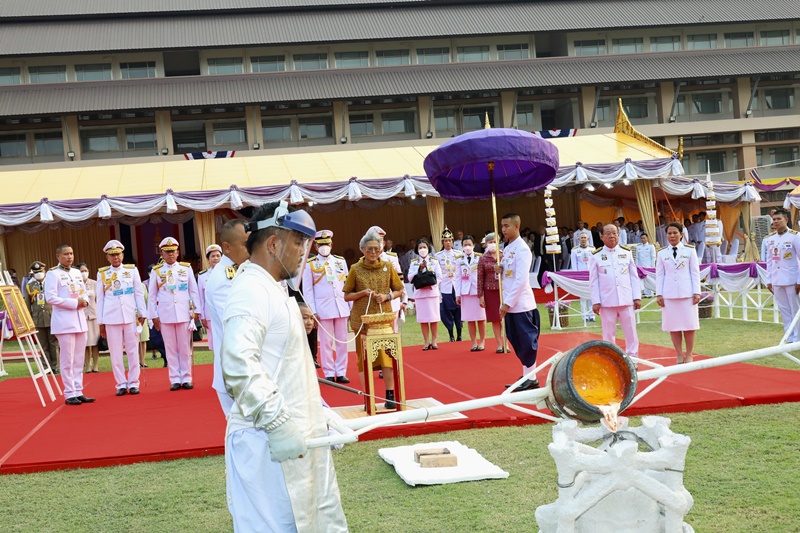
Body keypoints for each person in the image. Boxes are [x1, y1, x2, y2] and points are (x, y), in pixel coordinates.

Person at [220, 201, 348, 532]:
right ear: (274, 244)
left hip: (293, 436)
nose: (304, 252)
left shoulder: (272, 287)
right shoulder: (251, 289)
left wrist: (320, 415)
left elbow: (287, 368)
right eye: (298, 242)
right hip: (266, 443)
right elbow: (237, 363)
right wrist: (277, 422)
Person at [343, 229, 405, 408]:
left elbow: (399, 290)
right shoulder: (355, 269)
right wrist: (362, 293)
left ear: (381, 250)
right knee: (364, 360)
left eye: (376, 249)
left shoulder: (388, 267)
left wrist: (387, 297)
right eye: (369, 249)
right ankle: (368, 397)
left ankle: (390, 395)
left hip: (383, 320)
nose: (373, 253)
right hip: (362, 322)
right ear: (362, 249)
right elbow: (347, 295)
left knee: (386, 358)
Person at [203, 219, 251, 414]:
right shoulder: (225, 277)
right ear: (227, 248)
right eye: (245, 243)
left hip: (243, 370)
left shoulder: (242, 269)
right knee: (244, 435)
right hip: (237, 372)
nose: (251, 248)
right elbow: (237, 326)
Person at [148, 237, 201, 391]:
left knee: (185, 347)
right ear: (162, 254)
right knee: (170, 348)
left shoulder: (186, 268)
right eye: (167, 252)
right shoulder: (157, 271)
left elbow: (193, 290)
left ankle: (186, 377)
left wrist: (196, 310)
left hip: (183, 313)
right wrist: (154, 316)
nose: (170, 254)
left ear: (178, 252)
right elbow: (152, 295)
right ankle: (174, 379)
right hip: (165, 315)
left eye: (173, 251)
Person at [44, 244, 94, 406]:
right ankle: (69, 392)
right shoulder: (53, 274)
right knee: (68, 359)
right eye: (66, 254)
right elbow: (50, 298)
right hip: (64, 322)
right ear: (58, 256)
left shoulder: (76, 272)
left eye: (71, 253)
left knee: (79, 359)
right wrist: (73, 303)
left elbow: (82, 291)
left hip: (80, 320)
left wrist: (85, 300)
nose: (69, 257)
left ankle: (78, 390)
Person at [496, 213, 541, 391]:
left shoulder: (522, 248)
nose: (504, 229)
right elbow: (509, 274)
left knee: (526, 342)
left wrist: (507, 303)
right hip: (511, 303)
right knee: (516, 340)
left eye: (507, 226)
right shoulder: (507, 248)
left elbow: (521, 279)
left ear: (517, 226)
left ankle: (531, 377)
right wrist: (500, 269)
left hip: (521, 304)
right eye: (502, 226)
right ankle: (528, 375)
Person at [97, 240, 147, 396]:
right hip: (111, 318)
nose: (115, 258)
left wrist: (142, 313)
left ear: (122, 255)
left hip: (130, 315)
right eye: (112, 255)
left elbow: (138, 293)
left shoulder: (132, 271)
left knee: (133, 351)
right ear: (107, 257)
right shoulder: (103, 273)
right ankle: (120, 383)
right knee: (116, 353)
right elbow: (100, 298)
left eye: (117, 254)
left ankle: (133, 382)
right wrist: (101, 322)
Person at [302, 230, 351, 383]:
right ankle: (329, 372)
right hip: (322, 309)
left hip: (341, 305)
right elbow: (308, 290)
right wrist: (313, 311)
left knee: (342, 341)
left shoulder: (340, 261)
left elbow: (347, 284)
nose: (324, 247)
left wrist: (350, 306)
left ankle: (341, 371)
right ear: (316, 246)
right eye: (321, 244)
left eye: (327, 244)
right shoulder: (310, 264)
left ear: (331, 244)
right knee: (326, 343)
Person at [589, 224, 642, 358]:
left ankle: (633, 357)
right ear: (601, 237)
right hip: (607, 300)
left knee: (631, 331)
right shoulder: (596, 255)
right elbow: (593, 281)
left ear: (619, 235)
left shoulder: (626, 252)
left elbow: (633, 277)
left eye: (614, 233)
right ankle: (610, 357)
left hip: (626, 298)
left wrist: (637, 297)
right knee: (608, 333)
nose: (612, 236)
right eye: (608, 233)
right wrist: (596, 301)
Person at [656, 223, 701, 364]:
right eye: (669, 233)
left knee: (689, 325)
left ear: (681, 234)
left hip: (687, 293)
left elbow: (695, 272)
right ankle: (679, 354)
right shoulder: (662, 253)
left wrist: (696, 292)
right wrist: (659, 294)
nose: (672, 236)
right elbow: (660, 275)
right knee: (673, 326)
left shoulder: (689, 250)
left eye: (675, 233)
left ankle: (689, 354)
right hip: (669, 294)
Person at [762, 209, 800, 343]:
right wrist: (769, 280)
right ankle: (789, 336)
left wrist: (799, 280)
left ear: (786, 220)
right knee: (784, 310)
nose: (776, 222)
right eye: (774, 219)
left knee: (795, 309)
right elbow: (769, 261)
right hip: (777, 279)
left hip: (792, 279)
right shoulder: (770, 239)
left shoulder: (795, 236)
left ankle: (798, 338)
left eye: (779, 219)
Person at [368, 226, 408, 332]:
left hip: (391, 300)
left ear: (384, 243)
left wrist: (404, 299)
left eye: (379, 241)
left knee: (392, 331)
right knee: (375, 332)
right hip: (373, 302)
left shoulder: (392, 258)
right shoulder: (364, 260)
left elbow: (399, 280)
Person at [24, 261, 59, 373]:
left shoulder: (51, 283)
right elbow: (28, 305)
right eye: (36, 272)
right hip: (38, 319)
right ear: (33, 274)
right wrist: (29, 320)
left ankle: (55, 366)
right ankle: (46, 367)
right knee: (42, 344)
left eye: (40, 271)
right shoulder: (30, 286)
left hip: (52, 316)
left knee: (53, 343)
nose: (39, 274)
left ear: (45, 271)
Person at [408, 239, 443, 351]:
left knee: (434, 318)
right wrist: (419, 268)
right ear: (417, 250)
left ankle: (434, 341)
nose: (423, 250)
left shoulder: (434, 261)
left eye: (425, 247)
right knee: (423, 319)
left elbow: (439, 276)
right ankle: (426, 341)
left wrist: (432, 285)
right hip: (420, 294)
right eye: (420, 248)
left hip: (432, 292)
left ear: (428, 249)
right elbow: (409, 278)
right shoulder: (414, 262)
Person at [477, 233, 508, 353]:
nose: (492, 244)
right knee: (495, 318)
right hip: (490, 290)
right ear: (485, 244)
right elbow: (480, 278)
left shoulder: (504, 256)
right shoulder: (483, 259)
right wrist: (480, 296)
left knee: (505, 317)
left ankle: (506, 342)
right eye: (489, 242)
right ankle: (499, 343)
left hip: (504, 289)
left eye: (494, 241)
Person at [456, 235, 486, 351]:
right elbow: (457, 278)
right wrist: (457, 295)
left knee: (481, 318)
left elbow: (483, 276)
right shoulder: (459, 259)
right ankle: (473, 342)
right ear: (462, 246)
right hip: (465, 291)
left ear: (474, 245)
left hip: (478, 291)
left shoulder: (480, 258)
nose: (467, 247)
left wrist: (482, 293)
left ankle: (482, 341)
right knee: (470, 318)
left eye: (469, 244)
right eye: (465, 245)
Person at [435, 227, 463, 342]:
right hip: (445, 285)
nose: (448, 243)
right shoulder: (438, 255)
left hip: (456, 284)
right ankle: (451, 334)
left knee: (459, 310)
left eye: (450, 240)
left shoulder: (458, 254)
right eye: (445, 241)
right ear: (442, 242)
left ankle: (459, 334)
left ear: (452, 241)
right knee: (446, 311)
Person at [197, 243, 223, 347]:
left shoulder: (228, 272)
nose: (216, 258)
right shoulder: (203, 276)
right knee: (214, 343)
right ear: (208, 259)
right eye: (212, 256)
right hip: (210, 314)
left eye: (218, 256)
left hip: (225, 312)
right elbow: (201, 298)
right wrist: (202, 316)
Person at [77, 263, 100, 374]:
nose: (84, 273)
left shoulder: (95, 283)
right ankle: (88, 366)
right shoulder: (76, 285)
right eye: (81, 271)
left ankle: (96, 365)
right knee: (85, 344)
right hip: (82, 316)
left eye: (85, 270)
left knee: (95, 343)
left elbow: (99, 300)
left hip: (94, 316)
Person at [569, 232, 595, 322]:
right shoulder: (575, 250)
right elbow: (574, 264)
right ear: (578, 239)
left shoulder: (592, 249)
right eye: (582, 238)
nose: (583, 239)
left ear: (588, 239)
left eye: (585, 238)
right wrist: (576, 276)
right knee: (583, 296)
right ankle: (584, 316)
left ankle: (592, 316)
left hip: (591, 274)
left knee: (592, 296)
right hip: (581, 275)